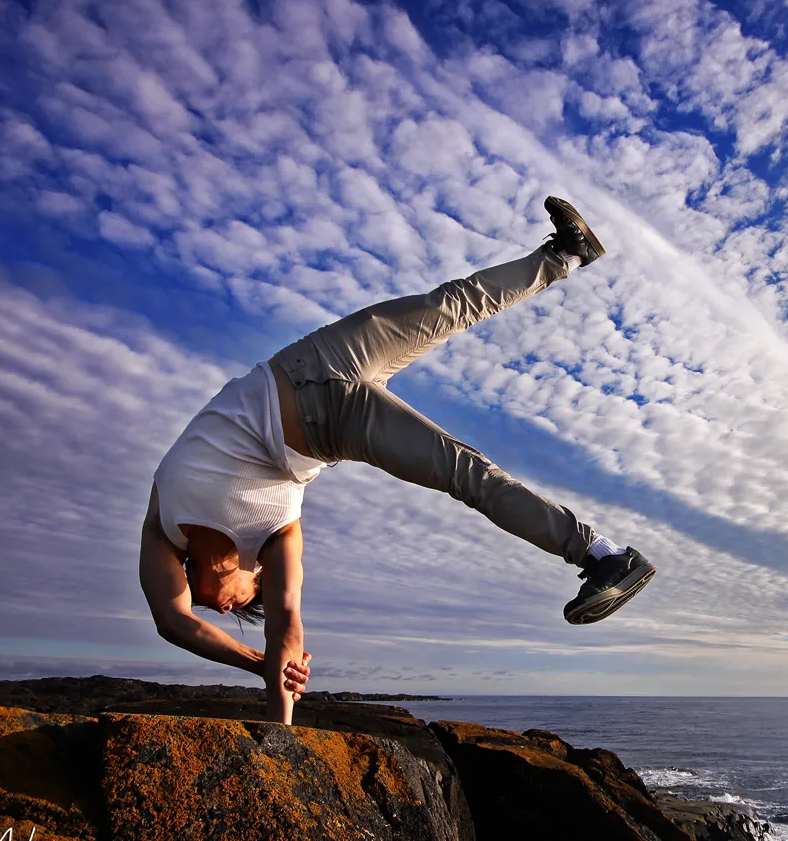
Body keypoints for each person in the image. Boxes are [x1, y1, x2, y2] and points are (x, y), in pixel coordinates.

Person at [139, 197, 657, 724]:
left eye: (224, 606)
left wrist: (264, 659)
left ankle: (567, 255)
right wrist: (267, 671)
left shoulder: (164, 524)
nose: (224, 610)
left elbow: (173, 620)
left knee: (452, 303)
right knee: (465, 471)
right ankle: (604, 556)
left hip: (310, 358)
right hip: (337, 423)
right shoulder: (279, 538)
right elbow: (282, 622)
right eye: (242, 607)